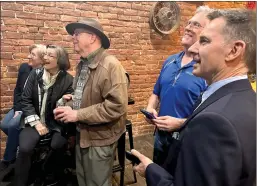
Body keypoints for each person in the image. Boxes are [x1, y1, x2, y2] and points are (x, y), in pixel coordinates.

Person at [132, 9, 256, 186]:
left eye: (204, 41)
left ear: (233, 50)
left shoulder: (215, 122)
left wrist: (151, 171)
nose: (193, 48)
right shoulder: (245, 97)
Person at [53, 18, 128, 186]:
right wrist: (67, 107)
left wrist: (77, 114)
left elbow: (116, 107)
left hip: (99, 140)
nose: (73, 37)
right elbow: (81, 97)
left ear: (92, 37)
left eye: (77, 34)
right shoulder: (83, 64)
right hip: (83, 136)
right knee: (84, 181)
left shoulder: (111, 65)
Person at [145, 6, 212, 166]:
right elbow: (156, 93)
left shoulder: (206, 69)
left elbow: (208, 117)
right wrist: (150, 108)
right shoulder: (170, 60)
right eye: (189, 23)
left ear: (207, 33)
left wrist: (181, 123)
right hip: (160, 138)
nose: (188, 27)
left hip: (186, 141)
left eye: (196, 25)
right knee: (156, 177)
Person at [14, 45, 74, 186]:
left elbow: (66, 107)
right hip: (33, 120)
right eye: (45, 54)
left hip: (55, 123)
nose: (45, 58)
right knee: (25, 148)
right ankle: (20, 181)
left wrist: (64, 101)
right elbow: (25, 99)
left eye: (50, 56)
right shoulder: (35, 74)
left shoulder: (68, 79)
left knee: (58, 144)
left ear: (60, 60)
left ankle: (49, 173)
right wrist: (37, 123)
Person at [0, 44, 46, 174]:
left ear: (42, 59)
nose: (28, 56)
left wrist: (23, 111)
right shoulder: (24, 68)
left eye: (32, 54)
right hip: (20, 106)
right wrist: (17, 109)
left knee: (14, 125)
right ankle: (21, 146)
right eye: (29, 53)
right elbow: (17, 90)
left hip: (32, 109)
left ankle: (8, 160)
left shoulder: (45, 74)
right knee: (4, 125)